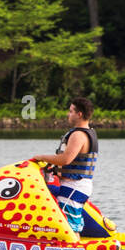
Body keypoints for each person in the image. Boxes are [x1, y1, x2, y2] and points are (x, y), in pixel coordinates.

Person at [31, 97, 103, 235]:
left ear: (79, 114)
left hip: (74, 186)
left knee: (69, 226)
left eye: (71, 111)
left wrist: (41, 157)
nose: (68, 114)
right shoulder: (88, 133)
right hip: (77, 185)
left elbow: (65, 159)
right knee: (68, 220)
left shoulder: (78, 135)